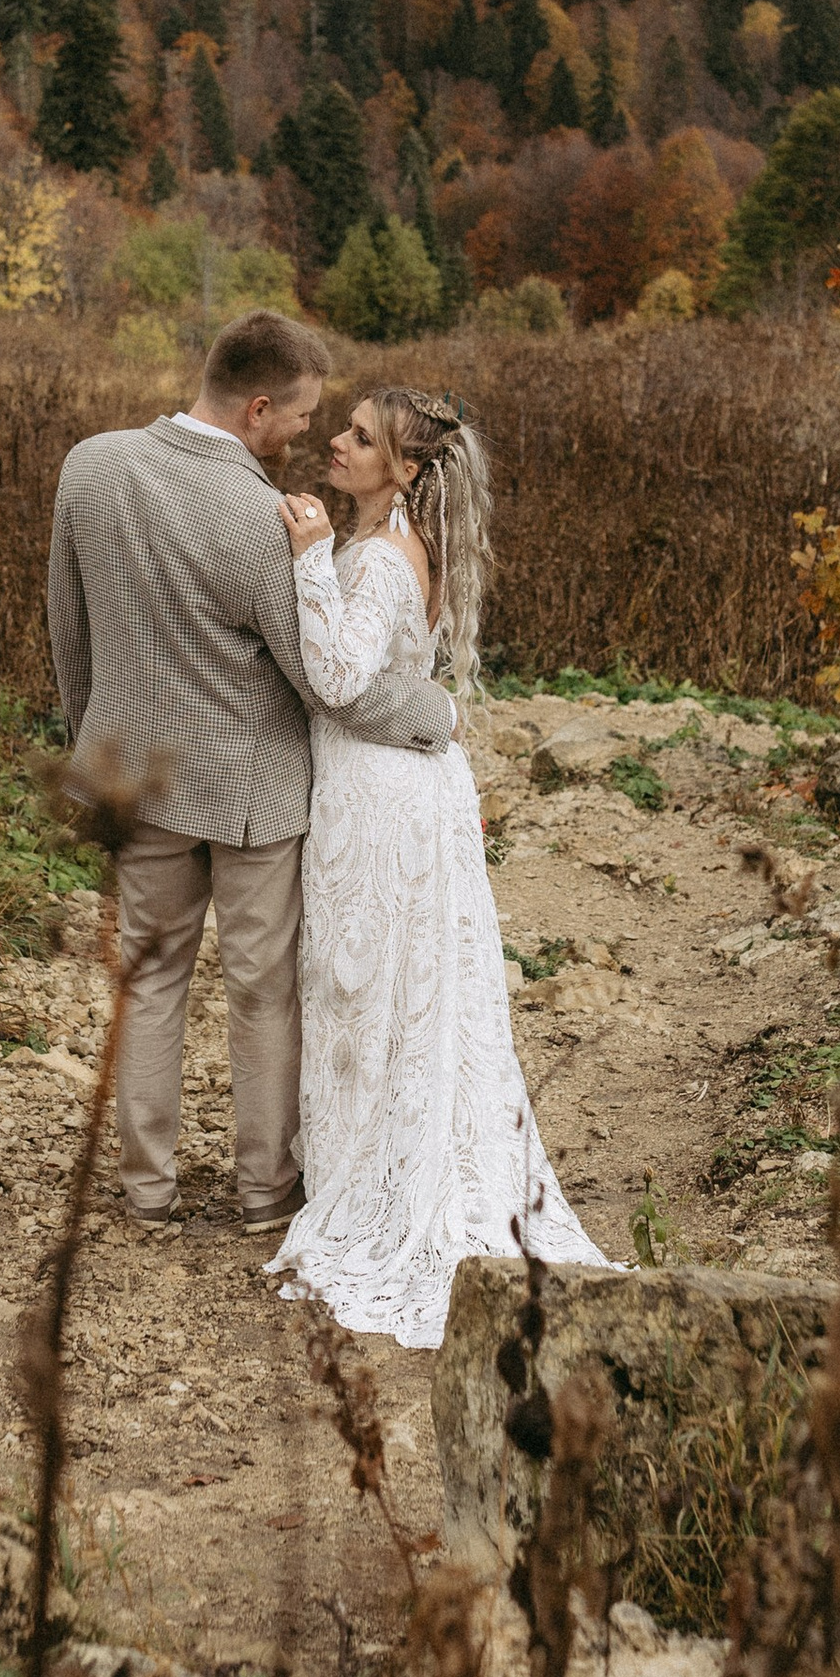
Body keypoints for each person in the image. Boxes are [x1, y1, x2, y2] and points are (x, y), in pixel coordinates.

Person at [46, 310, 457, 1233]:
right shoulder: (260, 517)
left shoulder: (91, 467)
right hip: (254, 796)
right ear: (259, 408)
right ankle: (266, 1191)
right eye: (302, 416)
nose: (309, 434)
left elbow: (67, 629)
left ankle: (147, 1190)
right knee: (263, 993)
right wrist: (435, 712)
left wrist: (93, 752)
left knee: (150, 982)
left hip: (135, 779)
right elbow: (325, 681)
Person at [268, 384, 609, 1347]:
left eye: (361, 437)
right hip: (404, 786)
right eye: (345, 428)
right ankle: (372, 1163)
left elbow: (340, 680)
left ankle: (368, 1184)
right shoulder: (404, 543)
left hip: (378, 794)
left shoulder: (381, 558)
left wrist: (307, 561)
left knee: (367, 985)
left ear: (406, 469)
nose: (338, 442)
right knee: (394, 986)